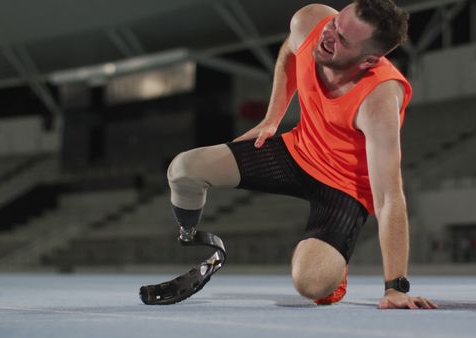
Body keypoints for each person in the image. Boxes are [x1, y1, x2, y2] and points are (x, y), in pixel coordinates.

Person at [167, 0, 437, 309]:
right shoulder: (313, 21)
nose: (328, 35)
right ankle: (188, 233)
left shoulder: (378, 99)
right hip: (298, 151)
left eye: (343, 39)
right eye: (335, 24)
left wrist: (395, 288)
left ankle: (334, 266)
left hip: (344, 188)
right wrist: (273, 117)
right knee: (183, 170)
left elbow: (389, 198)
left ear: (368, 60)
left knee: (312, 284)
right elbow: (290, 49)